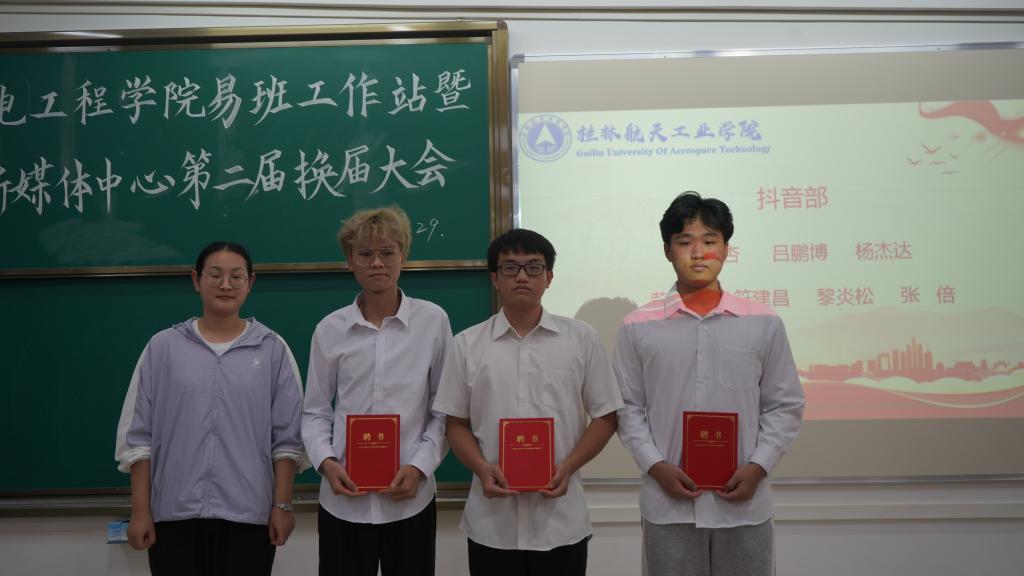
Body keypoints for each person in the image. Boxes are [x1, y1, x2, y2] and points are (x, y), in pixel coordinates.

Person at [615, 191, 805, 576]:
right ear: (667, 251)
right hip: (668, 504)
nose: (698, 253)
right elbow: (627, 408)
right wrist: (656, 466)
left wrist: (759, 466)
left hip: (744, 502)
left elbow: (784, 405)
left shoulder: (763, 322)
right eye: (685, 242)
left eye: (710, 241)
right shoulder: (638, 326)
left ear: (726, 249)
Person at [433, 228, 623, 576]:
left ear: (549, 277)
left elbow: (606, 416)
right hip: (492, 524)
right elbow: (454, 423)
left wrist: (568, 466)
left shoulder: (582, 340)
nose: (522, 276)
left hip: (561, 522)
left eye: (534, 267)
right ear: (495, 278)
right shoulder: (467, 345)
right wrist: (481, 468)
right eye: (510, 268)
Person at [114, 241, 307, 576]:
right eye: (215, 275)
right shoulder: (163, 348)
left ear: (250, 282)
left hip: (250, 517)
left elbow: (288, 440)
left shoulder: (273, 349)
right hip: (174, 515)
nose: (225, 285)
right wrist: (141, 511)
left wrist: (283, 506)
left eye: (236, 276)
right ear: (196, 280)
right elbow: (138, 439)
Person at [302, 206, 452, 576]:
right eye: (365, 254)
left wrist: (419, 467)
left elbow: (444, 410)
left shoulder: (433, 321)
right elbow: (315, 411)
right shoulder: (330, 329)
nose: (377, 263)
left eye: (387, 252)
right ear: (349, 260)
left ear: (403, 256)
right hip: (344, 499)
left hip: (411, 498)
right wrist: (326, 463)